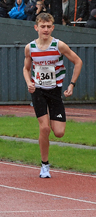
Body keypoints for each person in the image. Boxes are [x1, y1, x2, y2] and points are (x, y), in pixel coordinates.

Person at [22, 13, 82, 178]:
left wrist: (71, 84)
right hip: (38, 91)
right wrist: (29, 82)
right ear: (36, 28)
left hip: (55, 91)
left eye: (48, 26)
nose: (46, 29)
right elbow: (26, 69)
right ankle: (45, 165)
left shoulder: (59, 45)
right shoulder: (30, 48)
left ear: (53, 28)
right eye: (43, 26)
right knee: (44, 127)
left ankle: (48, 128)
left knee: (59, 132)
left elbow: (78, 62)